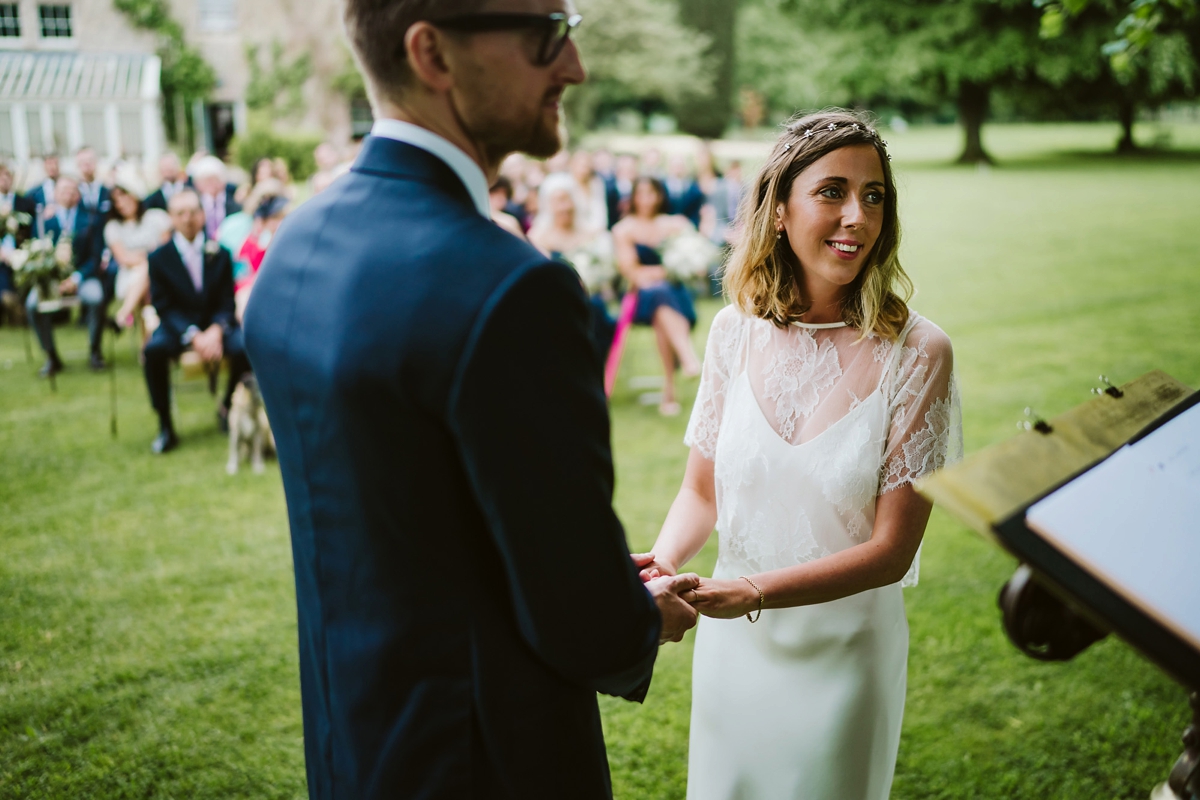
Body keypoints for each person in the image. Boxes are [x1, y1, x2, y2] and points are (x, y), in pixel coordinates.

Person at [243, 2, 701, 796]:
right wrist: (638, 617)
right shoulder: (510, 287)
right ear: (433, 56)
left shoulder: (298, 244)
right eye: (544, 36)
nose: (573, 66)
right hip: (484, 758)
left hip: (351, 738)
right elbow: (576, 612)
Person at [637, 110, 963, 800]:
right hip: (735, 654)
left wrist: (752, 593)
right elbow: (702, 492)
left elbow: (892, 551)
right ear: (778, 208)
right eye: (833, 192)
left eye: (874, 196)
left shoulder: (918, 353)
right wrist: (664, 566)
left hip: (846, 656)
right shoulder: (733, 332)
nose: (857, 217)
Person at [143, 189, 249, 454]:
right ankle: (165, 425)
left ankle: (227, 406)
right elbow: (163, 306)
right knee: (153, 352)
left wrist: (215, 330)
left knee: (246, 347)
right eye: (180, 213)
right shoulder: (158, 258)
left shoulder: (220, 253)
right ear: (171, 218)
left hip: (215, 324)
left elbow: (227, 301)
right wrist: (193, 335)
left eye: (192, 212)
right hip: (177, 326)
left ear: (202, 216)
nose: (187, 219)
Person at [612, 175, 701, 415]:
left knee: (663, 308)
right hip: (639, 298)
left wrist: (671, 271)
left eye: (651, 193)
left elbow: (693, 263)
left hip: (674, 295)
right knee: (659, 295)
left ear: (660, 196)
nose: (646, 199)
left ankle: (670, 392)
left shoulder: (675, 224)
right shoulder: (624, 229)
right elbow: (632, 272)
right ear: (633, 197)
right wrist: (665, 271)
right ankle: (687, 358)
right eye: (641, 193)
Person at [25, 175, 107, 375]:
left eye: (72, 190)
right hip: (52, 281)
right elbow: (38, 253)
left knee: (97, 298)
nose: (67, 194)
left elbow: (96, 257)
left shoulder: (91, 219)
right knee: (32, 304)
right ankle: (51, 356)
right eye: (63, 190)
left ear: (78, 195)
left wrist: (76, 278)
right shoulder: (44, 220)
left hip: (83, 278)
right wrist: (52, 280)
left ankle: (95, 351)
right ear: (54, 194)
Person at [529, 177, 614, 362]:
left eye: (567, 199)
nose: (564, 207)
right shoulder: (537, 238)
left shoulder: (591, 234)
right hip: (553, 303)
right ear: (547, 205)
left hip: (592, 301)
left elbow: (606, 275)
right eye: (558, 201)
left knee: (597, 310)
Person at [105, 169, 172, 331]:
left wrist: (149, 259)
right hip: (130, 276)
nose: (121, 203)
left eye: (124, 197)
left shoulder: (156, 218)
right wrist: (150, 257)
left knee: (149, 272)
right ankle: (150, 340)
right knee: (146, 271)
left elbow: (167, 250)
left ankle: (123, 316)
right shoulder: (113, 227)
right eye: (116, 200)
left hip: (159, 273)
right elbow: (124, 258)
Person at [0, 162, 37, 318]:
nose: (3, 179)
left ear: (12, 178)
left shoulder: (25, 202)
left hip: (21, 253)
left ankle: (22, 310)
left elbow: (32, 231)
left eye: (7, 175)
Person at [192, 156, 242, 241]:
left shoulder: (235, 205)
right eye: (206, 180)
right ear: (198, 184)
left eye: (214, 179)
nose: (211, 184)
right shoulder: (195, 205)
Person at [665, 153, 704, 227]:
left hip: (687, 225)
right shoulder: (662, 187)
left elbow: (695, 211)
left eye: (680, 166)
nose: (677, 169)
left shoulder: (693, 189)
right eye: (675, 166)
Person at [74, 146, 112, 216]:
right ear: (77, 164)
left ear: (96, 161)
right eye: (83, 161)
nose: (87, 164)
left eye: (90, 160)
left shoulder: (107, 188)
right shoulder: (74, 190)